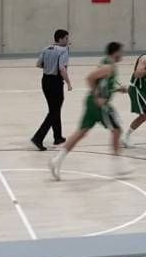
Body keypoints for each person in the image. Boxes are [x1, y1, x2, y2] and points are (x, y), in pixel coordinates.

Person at [49, 42, 132, 180]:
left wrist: (118, 89)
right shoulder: (108, 67)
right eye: (121, 51)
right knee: (117, 130)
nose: (122, 54)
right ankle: (119, 166)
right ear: (115, 52)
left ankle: (56, 160)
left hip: (92, 103)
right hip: (99, 105)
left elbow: (102, 84)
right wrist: (97, 95)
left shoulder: (108, 64)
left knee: (81, 132)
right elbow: (90, 78)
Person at [31, 29, 72, 151]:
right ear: (60, 39)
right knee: (54, 111)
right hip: (55, 83)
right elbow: (62, 69)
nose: (67, 41)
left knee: (54, 109)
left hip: (45, 81)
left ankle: (58, 137)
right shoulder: (63, 51)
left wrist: (49, 66)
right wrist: (69, 83)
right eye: (66, 38)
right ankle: (38, 137)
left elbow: (38, 64)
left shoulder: (46, 49)